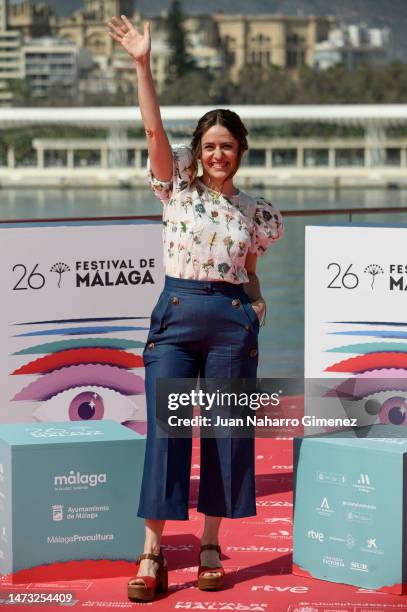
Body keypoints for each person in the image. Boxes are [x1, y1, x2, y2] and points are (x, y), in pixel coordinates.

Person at [107, 15, 284, 603]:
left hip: (233, 322)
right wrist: (142, 63)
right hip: (177, 317)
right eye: (208, 146)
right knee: (165, 430)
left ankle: (209, 543)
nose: (216, 155)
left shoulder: (257, 212)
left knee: (228, 434)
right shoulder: (175, 188)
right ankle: (153, 551)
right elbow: (153, 129)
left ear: (240, 152)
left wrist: (255, 304)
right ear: (196, 153)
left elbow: (251, 273)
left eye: (226, 147)